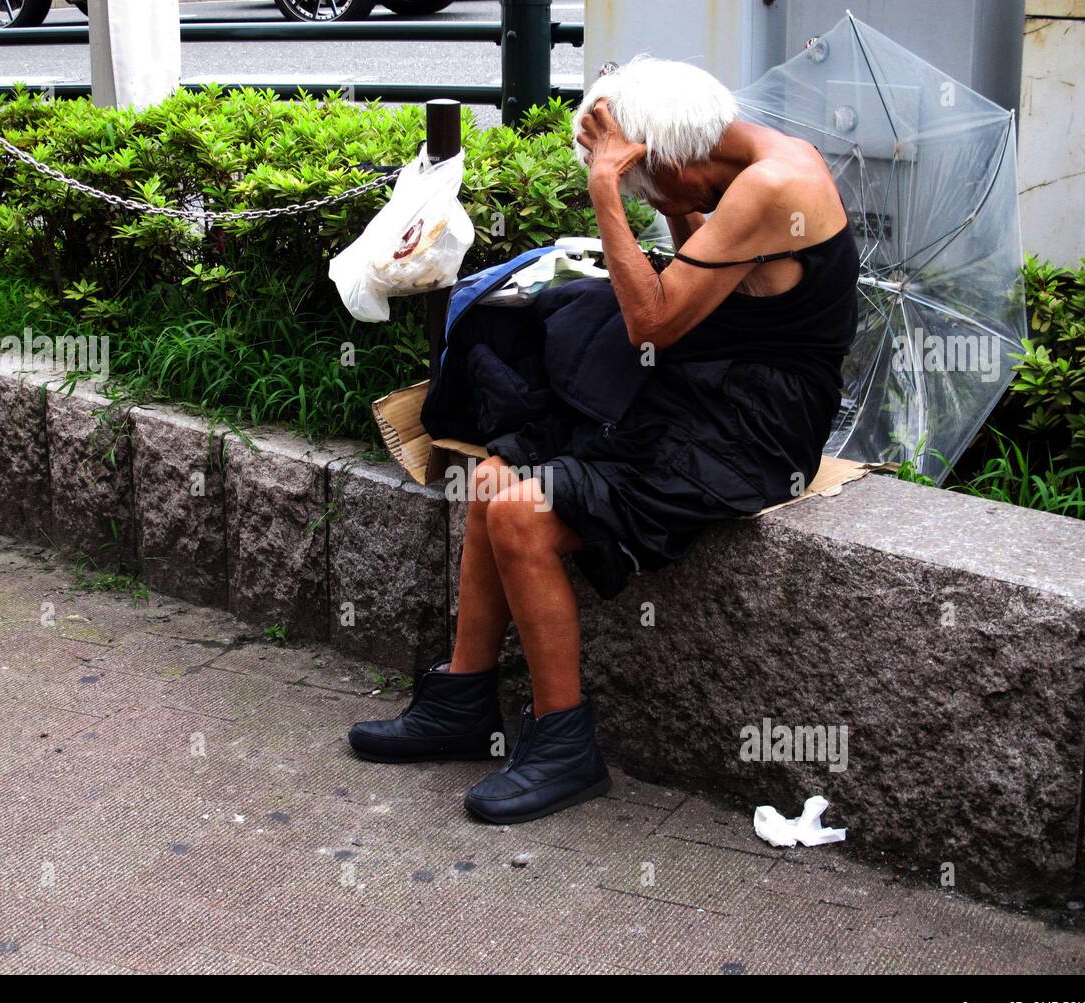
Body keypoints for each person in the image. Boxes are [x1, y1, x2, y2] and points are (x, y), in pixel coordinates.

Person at [348, 56, 859, 825]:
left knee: (522, 512)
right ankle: (462, 697)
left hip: (749, 429)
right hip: (695, 394)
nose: (647, 200)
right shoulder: (732, 165)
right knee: (492, 479)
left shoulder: (775, 185)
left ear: (665, 157)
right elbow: (693, 267)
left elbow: (652, 321)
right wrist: (649, 184)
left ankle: (565, 747)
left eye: (641, 182)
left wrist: (603, 189)